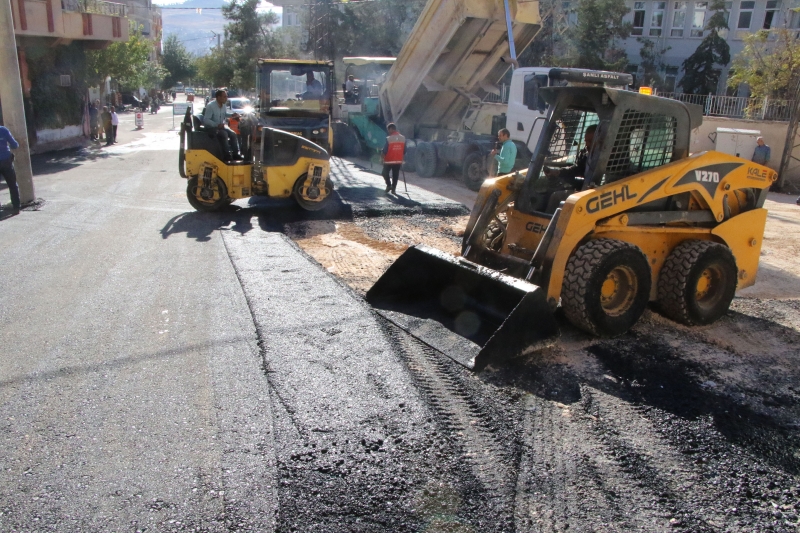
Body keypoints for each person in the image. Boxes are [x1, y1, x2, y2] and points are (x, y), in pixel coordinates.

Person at [203, 89, 242, 161]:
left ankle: (235, 154)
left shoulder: (223, 105)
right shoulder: (210, 106)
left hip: (220, 127)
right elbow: (206, 120)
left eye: (226, 96)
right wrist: (216, 125)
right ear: (218, 97)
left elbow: (225, 114)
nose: (226, 98)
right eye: (224, 97)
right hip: (212, 128)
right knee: (224, 134)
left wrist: (232, 115)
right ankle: (227, 155)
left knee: (233, 134)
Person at [0, 126, 21, 214]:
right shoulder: (3, 130)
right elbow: (15, 145)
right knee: (12, 184)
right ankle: (16, 207)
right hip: (6, 161)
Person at [382, 123, 405, 194]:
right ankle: (393, 188)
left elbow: (385, 151)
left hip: (389, 160)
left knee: (384, 173)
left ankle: (389, 185)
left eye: (389, 130)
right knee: (395, 175)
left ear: (391, 129)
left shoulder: (389, 138)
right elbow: (405, 150)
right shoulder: (403, 138)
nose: (388, 131)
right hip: (398, 160)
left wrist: (382, 158)